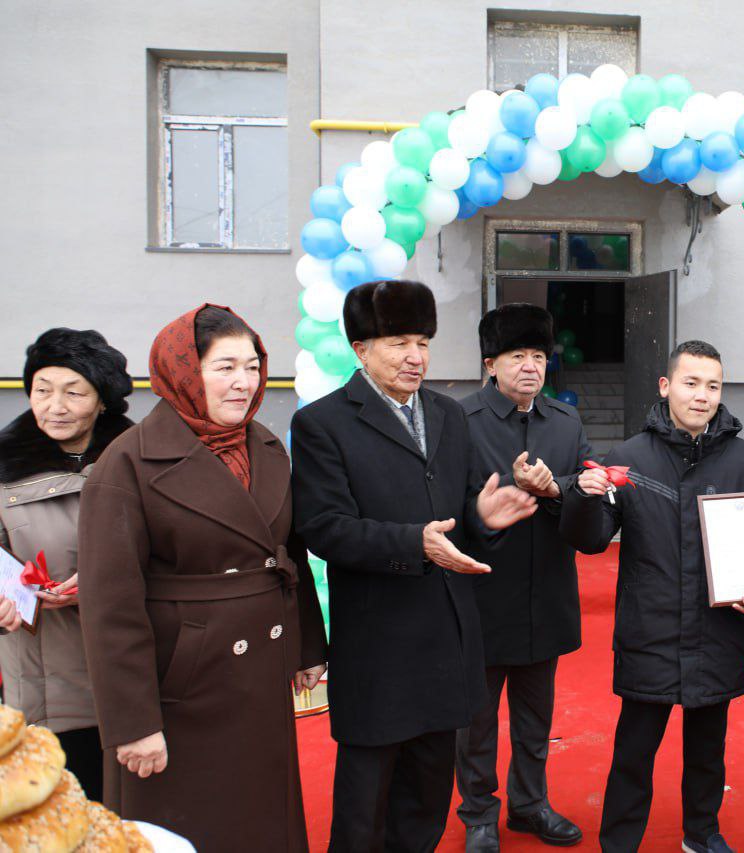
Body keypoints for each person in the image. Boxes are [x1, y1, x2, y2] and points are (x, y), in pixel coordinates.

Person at [289, 279, 539, 852]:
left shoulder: (449, 414)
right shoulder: (324, 422)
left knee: (427, 799)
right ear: (360, 349)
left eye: (423, 342)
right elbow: (323, 527)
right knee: (364, 807)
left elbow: (460, 510)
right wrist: (414, 543)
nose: (415, 357)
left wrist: (483, 517)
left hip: (445, 638)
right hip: (377, 644)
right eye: (399, 342)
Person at [76, 305, 328, 851]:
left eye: (253, 367)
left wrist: (308, 644)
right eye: (225, 367)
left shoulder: (265, 445)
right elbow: (109, 607)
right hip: (179, 688)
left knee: (259, 818)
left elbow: (287, 554)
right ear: (185, 373)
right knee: (184, 827)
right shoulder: (127, 463)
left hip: (260, 673)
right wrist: (133, 723)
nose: (244, 382)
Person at [561, 340, 744, 853]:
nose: (702, 395)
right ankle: (619, 842)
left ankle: (702, 834)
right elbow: (591, 540)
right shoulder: (628, 458)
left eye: (713, 386)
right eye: (691, 383)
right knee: (633, 753)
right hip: (648, 632)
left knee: (707, 752)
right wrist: (583, 497)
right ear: (666, 386)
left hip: (718, 634)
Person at [455, 304, 592, 852]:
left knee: (536, 718)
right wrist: (483, 513)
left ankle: (530, 804)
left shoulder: (565, 421)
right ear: (491, 364)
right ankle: (478, 814)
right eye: (517, 356)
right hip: (482, 595)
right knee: (477, 720)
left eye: (538, 355)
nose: (531, 366)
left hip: (547, 593)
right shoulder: (459, 421)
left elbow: (585, 491)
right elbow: (441, 504)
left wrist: (555, 489)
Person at [0, 328, 134, 801]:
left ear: (103, 401)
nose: (55, 406)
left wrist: (102, 581)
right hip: (45, 690)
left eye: (73, 392)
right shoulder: (4, 467)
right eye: (42, 390)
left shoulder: (141, 461)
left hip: (132, 682)